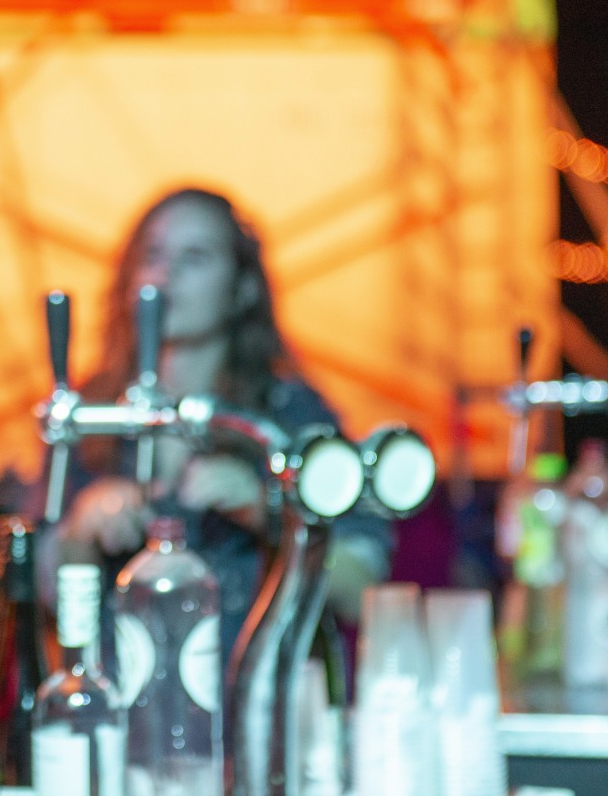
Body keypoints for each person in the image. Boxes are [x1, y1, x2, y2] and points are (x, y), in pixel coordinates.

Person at [48, 188, 390, 655]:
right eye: (153, 255)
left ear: (241, 288)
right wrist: (79, 532)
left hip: (251, 708)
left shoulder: (289, 414)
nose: (167, 275)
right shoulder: (92, 413)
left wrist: (269, 512)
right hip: (124, 709)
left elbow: (361, 589)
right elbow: (35, 591)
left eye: (195, 257)